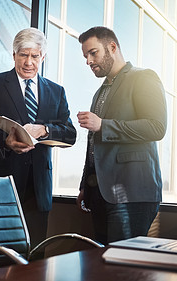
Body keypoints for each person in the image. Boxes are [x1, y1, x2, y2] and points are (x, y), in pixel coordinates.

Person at [0, 27, 76, 251]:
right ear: (14, 55)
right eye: (23, 55)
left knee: (34, 254)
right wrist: (5, 142)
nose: (29, 62)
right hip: (0, 182)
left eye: (35, 56)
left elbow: (70, 134)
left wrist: (45, 130)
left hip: (38, 188)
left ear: (43, 57)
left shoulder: (56, 91)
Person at [76, 26, 167, 245]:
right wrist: (84, 186)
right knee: (104, 265)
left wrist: (103, 125)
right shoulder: (100, 92)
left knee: (124, 269)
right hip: (99, 195)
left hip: (132, 194)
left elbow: (156, 127)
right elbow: (93, 144)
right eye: (85, 56)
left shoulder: (143, 77)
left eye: (93, 53)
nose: (88, 61)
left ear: (112, 47)